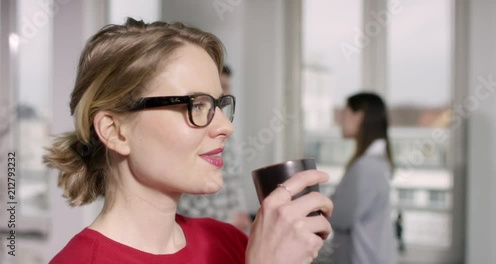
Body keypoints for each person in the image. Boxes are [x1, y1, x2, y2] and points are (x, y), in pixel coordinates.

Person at [43, 18, 333, 264]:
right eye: (196, 104)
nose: (225, 127)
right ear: (115, 131)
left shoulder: (228, 241)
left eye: (219, 105)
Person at [177, 65, 252, 232]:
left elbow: (234, 181)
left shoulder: (224, 131)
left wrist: (241, 214)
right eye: (220, 87)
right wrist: (226, 221)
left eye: (226, 87)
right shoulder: (194, 133)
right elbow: (186, 201)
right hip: (204, 229)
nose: (225, 93)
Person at [328, 92, 396, 264]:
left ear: (360, 116)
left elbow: (340, 217)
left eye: (345, 113)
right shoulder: (375, 163)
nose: (340, 120)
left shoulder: (367, 167)